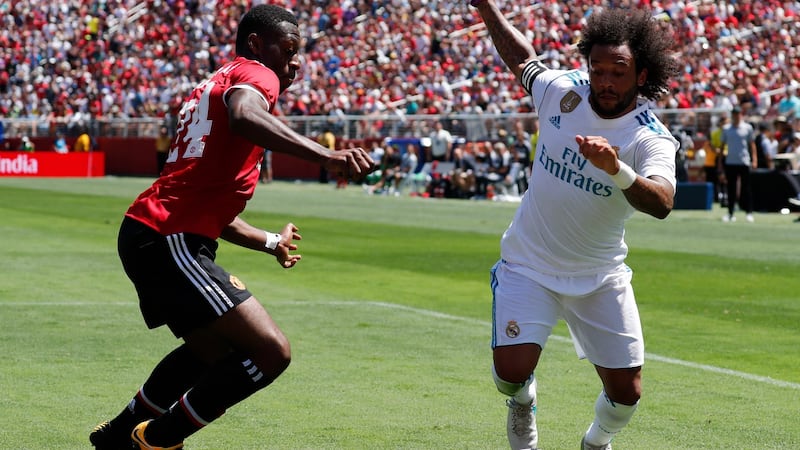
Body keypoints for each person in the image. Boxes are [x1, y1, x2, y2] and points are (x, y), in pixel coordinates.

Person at [89, 5, 373, 449]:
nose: (295, 60)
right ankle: (154, 441)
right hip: (169, 235)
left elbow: (210, 205)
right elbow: (244, 114)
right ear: (258, 44)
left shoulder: (217, 80)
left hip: (153, 231)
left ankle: (119, 434)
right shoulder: (259, 75)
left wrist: (270, 241)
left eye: (300, 52)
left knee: (213, 354)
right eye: (289, 49)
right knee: (270, 352)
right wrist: (327, 156)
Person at [472, 2, 679, 449]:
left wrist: (616, 169)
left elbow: (662, 201)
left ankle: (596, 442)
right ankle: (523, 401)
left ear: (641, 75)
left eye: (618, 72)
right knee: (510, 375)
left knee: (627, 395)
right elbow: (522, 59)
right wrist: (487, 7)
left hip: (600, 276)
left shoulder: (649, 136)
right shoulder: (561, 91)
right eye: (597, 69)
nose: (604, 81)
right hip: (529, 263)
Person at [719, 106, 757, 222]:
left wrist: (754, 159)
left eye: (738, 113)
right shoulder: (726, 129)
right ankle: (730, 213)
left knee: (746, 189)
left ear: (741, 114)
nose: (736, 116)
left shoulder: (747, 128)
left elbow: (752, 145)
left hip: (744, 161)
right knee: (731, 189)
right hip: (731, 162)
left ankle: (749, 212)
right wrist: (720, 163)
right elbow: (721, 147)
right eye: (735, 114)